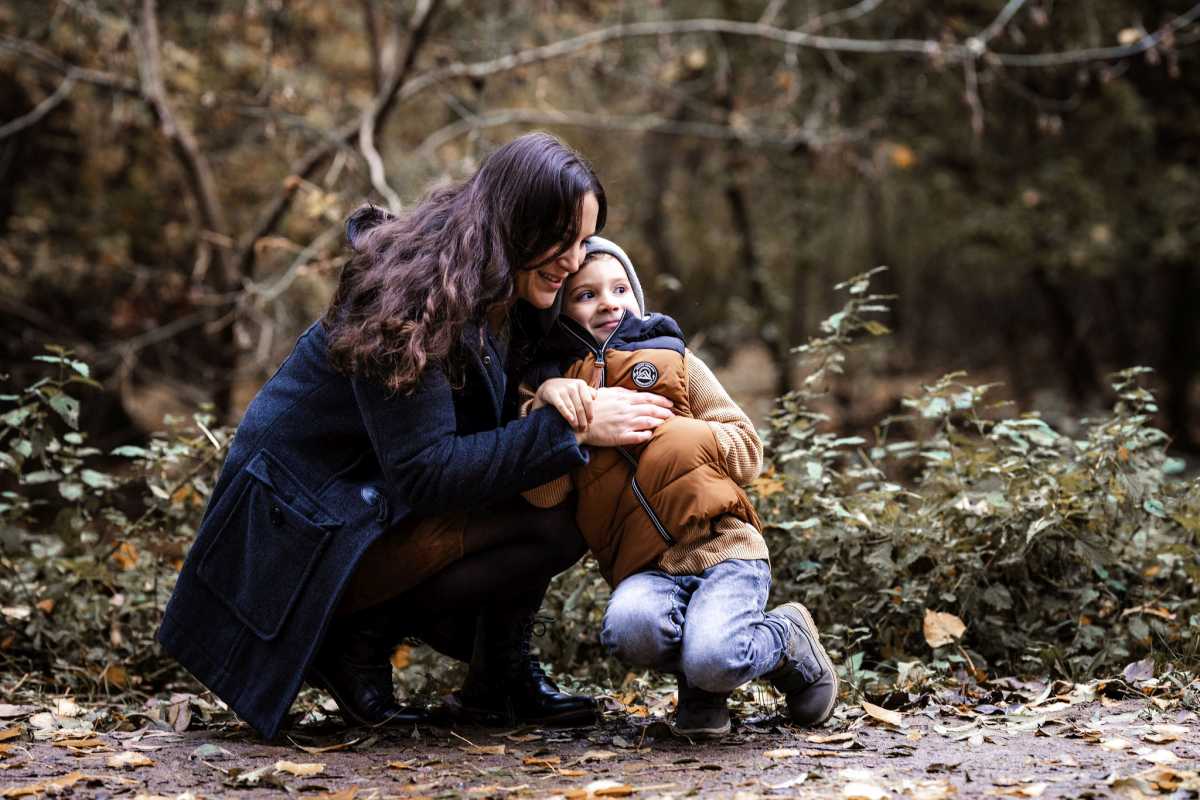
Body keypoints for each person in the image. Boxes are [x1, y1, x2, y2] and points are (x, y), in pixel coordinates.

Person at [155, 134, 674, 739]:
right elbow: (426, 472)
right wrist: (570, 426)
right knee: (550, 497)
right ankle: (352, 642)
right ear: (516, 223)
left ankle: (498, 677)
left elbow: (523, 382)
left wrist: (552, 390)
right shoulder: (411, 293)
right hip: (293, 541)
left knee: (560, 500)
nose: (574, 259)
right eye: (564, 239)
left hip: (365, 513)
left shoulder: (503, 278)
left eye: (584, 240)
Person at [520, 237, 838, 737]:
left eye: (619, 288)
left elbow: (748, 450)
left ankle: (784, 640)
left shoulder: (673, 361)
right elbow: (543, 495)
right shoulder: (553, 388)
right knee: (630, 629)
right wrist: (553, 418)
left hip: (723, 548)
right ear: (560, 312)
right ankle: (706, 685)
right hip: (644, 567)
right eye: (586, 294)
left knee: (716, 654)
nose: (608, 302)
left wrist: (685, 437)